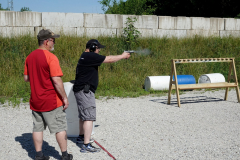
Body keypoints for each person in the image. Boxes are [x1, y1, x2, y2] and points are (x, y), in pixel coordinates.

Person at [73, 39, 131, 153]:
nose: (99, 51)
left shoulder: (85, 55)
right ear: (93, 48)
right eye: (98, 48)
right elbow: (109, 59)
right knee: (89, 117)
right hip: (85, 91)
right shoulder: (90, 55)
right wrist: (123, 56)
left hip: (81, 90)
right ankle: (86, 144)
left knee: (83, 116)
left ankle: (81, 137)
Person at [24, 29, 73, 160]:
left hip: (35, 100)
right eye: (53, 41)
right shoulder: (51, 57)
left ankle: (39, 155)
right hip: (51, 100)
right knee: (60, 127)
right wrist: (64, 98)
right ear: (46, 42)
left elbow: (26, 78)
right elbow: (57, 80)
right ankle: (64, 155)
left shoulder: (30, 56)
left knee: (37, 128)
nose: (54, 43)